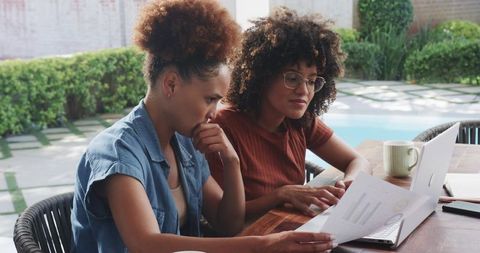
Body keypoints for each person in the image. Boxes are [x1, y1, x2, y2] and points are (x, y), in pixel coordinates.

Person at [71, 1, 336, 252]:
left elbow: (227, 223)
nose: (214, 113)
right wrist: (262, 245)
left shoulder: (185, 143)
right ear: (171, 84)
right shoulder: (117, 152)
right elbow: (147, 245)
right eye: (210, 99)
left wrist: (231, 160)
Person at [206, 7, 370, 220]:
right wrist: (281, 195)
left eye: (312, 81)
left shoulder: (300, 121)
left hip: (289, 229)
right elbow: (222, 217)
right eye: (292, 78)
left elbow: (359, 161)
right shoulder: (224, 127)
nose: (304, 91)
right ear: (261, 76)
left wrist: (346, 187)